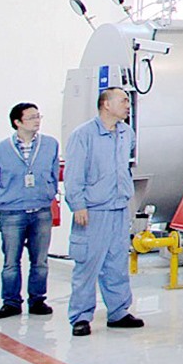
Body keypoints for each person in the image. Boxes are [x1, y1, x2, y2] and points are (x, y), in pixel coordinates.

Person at [64, 88, 142, 336]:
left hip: (119, 207)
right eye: (123, 100)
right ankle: (80, 317)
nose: (128, 105)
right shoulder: (83, 135)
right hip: (93, 210)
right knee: (87, 264)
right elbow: (73, 173)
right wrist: (78, 204)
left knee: (117, 263)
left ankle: (119, 312)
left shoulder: (126, 133)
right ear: (106, 105)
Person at [0, 103, 60, 319]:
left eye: (38, 116)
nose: (37, 121)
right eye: (31, 117)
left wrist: (48, 193)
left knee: (40, 261)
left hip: (41, 211)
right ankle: (10, 302)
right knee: (11, 261)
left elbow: (53, 175)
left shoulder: (50, 145)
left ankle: (37, 300)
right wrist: (2, 204)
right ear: (17, 122)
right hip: (12, 213)